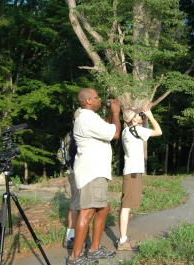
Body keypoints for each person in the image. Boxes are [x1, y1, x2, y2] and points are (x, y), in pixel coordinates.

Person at [67, 88, 121, 265]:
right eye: (97, 97)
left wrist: (108, 114)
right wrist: (116, 113)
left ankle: (94, 249)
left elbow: (105, 128)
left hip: (96, 171)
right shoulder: (87, 118)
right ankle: (75, 257)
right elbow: (114, 133)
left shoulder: (90, 117)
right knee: (88, 211)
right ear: (88, 101)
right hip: (92, 172)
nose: (100, 100)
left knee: (103, 208)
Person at [117, 108, 162, 251]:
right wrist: (151, 116)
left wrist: (144, 118)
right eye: (138, 115)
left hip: (130, 172)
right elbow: (159, 131)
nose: (141, 116)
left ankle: (123, 238)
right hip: (133, 173)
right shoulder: (136, 129)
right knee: (126, 206)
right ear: (133, 119)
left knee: (126, 205)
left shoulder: (127, 130)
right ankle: (122, 241)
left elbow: (144, 130)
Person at [59, 109, 81, 249]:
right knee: (76, 203)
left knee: (77, 202)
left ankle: (74, 234)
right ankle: (70, 237)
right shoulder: (76, 134)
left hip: (71, 171)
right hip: (77, 172)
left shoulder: (69, 134)